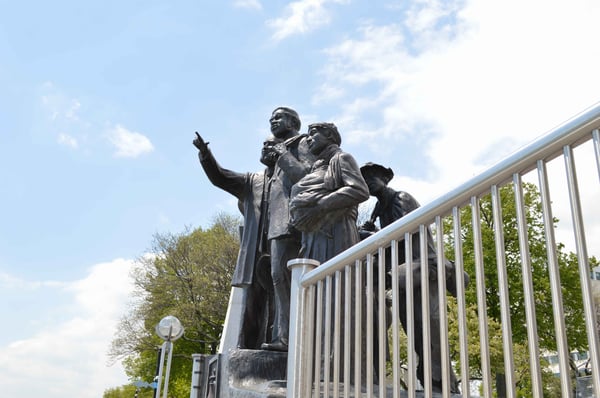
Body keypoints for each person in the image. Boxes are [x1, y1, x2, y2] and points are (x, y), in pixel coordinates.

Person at [359, 162, 467, 394]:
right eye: (363, 179)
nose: (367, 183)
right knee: (416, 332)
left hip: (423, 271)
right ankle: (430, 381)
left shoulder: (401, 198)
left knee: (430, 331)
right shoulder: (381, 208)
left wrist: (371, 237)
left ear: (384, 179)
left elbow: (402, 235)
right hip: (406, 276)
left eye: (371, 177)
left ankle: (444, 384)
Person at [289, 122, 370, 385]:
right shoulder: (318, 167)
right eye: (309, 134)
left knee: (336, 300)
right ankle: (312, 370)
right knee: (314, 304)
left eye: (315, 134)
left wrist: (319, 206)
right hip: (314, 237)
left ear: (331, 137)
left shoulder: (342, 158)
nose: (310, 138)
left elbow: (359, 189)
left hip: (336, 235)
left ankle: (333, 372)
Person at [193, 132, 282, 349]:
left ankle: (279, 347)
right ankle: (247, 351)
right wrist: (206, 154)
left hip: (281, 249)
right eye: (263, 144)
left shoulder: (289, 179)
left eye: (271, 144)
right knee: (252, 307)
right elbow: (220, 177)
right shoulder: (252, 181)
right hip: (256, 251)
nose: (265, 147)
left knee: (280, 305)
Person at [260, 107, 315, 352]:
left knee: (284, 278)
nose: (273, 121)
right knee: (278, 279)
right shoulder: (277, 152)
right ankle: (283, 335)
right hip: (276, 225)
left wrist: (282, 154)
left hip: (291, 223)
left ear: (293, 122)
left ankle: (290, 339)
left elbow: (307, 176)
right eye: (271, 118)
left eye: (278, 117)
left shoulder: (301, 143)